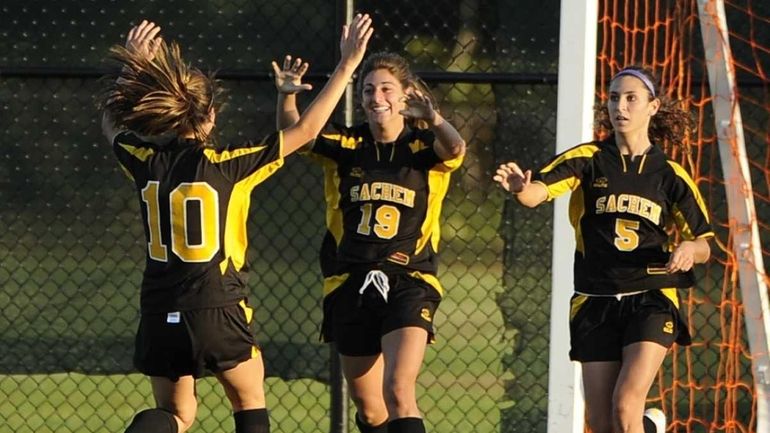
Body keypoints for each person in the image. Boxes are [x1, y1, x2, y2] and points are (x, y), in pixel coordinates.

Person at [100, 16, 372, 433]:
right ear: (209, 115)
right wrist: (347, 64)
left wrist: (134, 67)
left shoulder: (145, 161)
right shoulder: (228, 165)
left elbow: (111, 124)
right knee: (249, 399)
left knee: (175, 415)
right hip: (217, 307)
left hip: (159, 310)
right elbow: (309, 129)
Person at [493, 65, 713, 433]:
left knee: (625, 405)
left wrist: (691, 246)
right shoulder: (588, 158)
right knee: (602, 422)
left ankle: (639, 420)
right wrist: (520, 188)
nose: (620, 107)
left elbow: (706, 242)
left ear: (653, 107)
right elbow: (538, 194)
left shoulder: (669, 174)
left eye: (631, 98)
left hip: (651, 295)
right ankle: (647, 425)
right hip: (595, 297)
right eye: (613, 98)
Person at [273, 51, 466, 433]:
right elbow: (295, 136)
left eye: (386, 89)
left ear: (406, 94)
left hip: (409, 279)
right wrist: (287, 97)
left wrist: (436, 119)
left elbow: (456, 149)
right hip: (350, 281)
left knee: (398, 390)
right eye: (368, 90)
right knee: (371, 408)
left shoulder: (424, 146)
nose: (377, 98)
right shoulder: (346, 144)